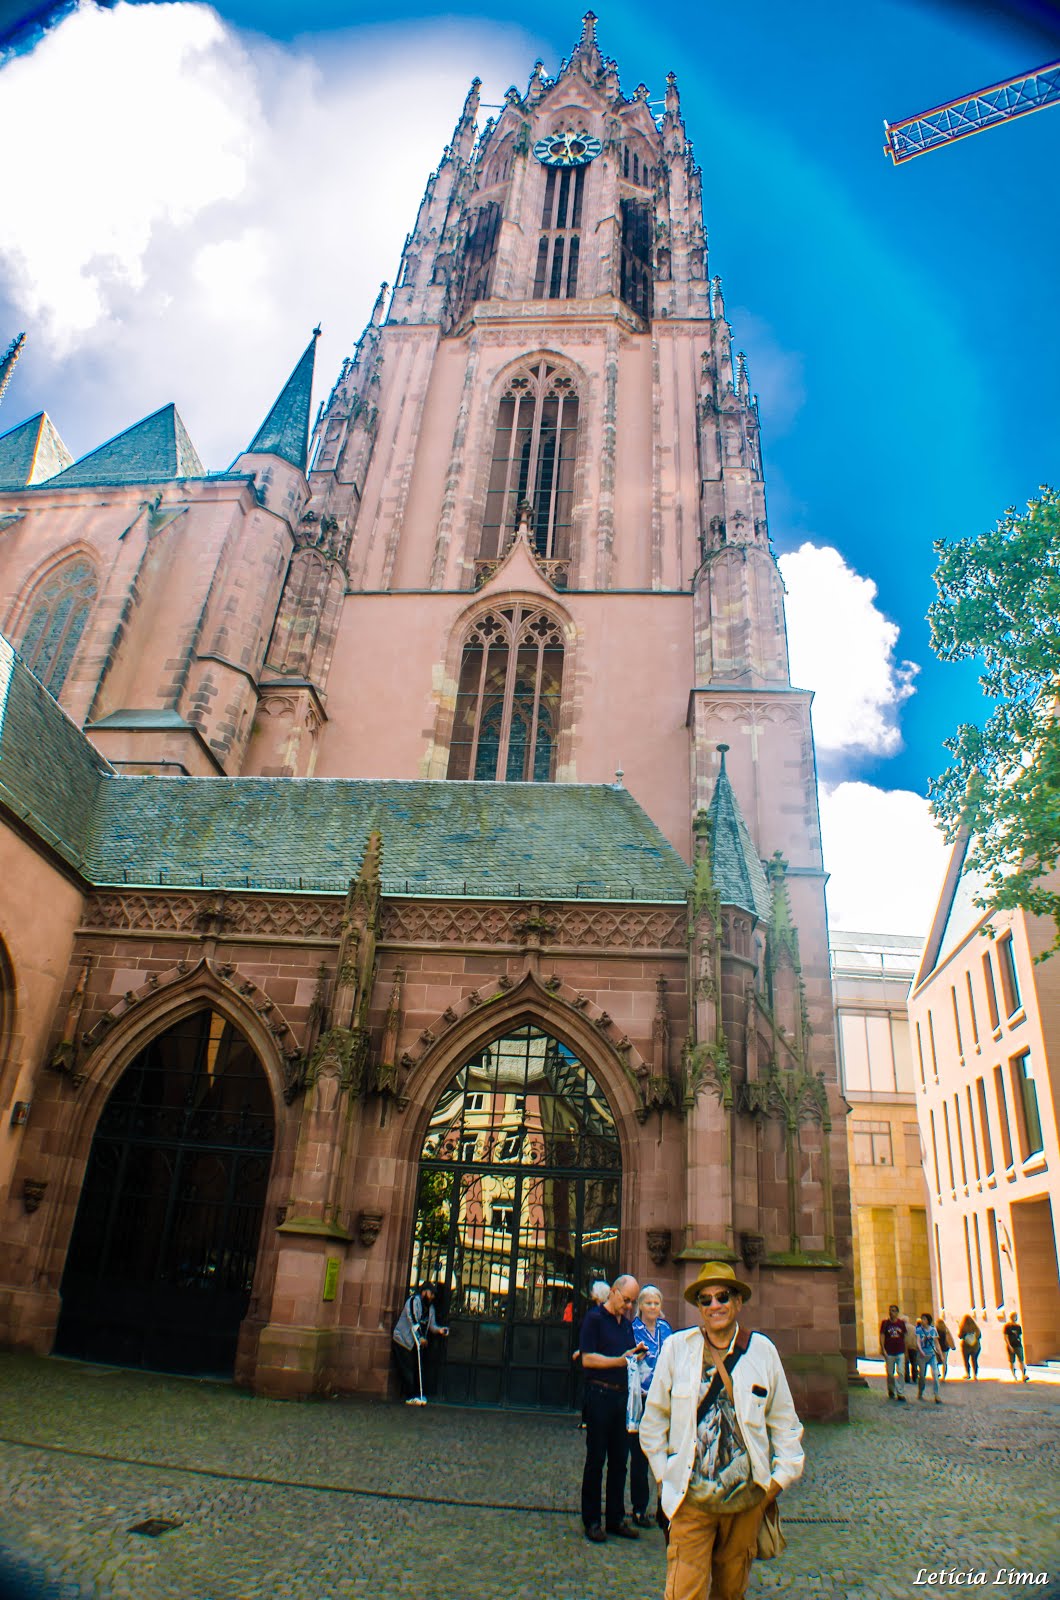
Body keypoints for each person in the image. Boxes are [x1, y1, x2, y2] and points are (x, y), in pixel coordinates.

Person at [640, 1262, 804, 1600]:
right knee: (683, 1593)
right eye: (706, 1299)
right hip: (691, 1503)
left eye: (723, 1297)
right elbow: (653, 1422)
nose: (715, 1305)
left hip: (745, 1506)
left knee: (731, 1593)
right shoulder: (677, 1349)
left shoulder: (762, 1351)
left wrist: (774, 1484)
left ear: (738, 1301)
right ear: (698, 1306)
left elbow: (786, 1424)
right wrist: (664, 1478)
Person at [579, 1274, 646, 1543]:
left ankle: (616, 1518)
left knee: (620, 1461)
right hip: (599, 1396)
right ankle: (592, 1520)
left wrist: (635, 1355)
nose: (629, 1306)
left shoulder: (626, 1325)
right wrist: (619, 1362)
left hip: (622, 1399)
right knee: (596, 1459)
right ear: (614, 1293)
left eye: (632, 1302)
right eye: (626, 1300)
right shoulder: (594, 1319)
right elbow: (587, 1358)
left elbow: (626, 1356)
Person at [628, 1285, 675, 1525]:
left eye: (657, 1303)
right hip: (642, 1398)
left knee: (665, 1453)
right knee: (639, 1457)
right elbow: (626, 1357)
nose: (653, 1307)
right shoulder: (632, 1329)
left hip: (664, 1399)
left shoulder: (667, 1330)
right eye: (648, 1303)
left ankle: (663, 1507)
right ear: (641, 1306)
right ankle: (639, 1508)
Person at [391, 1280, 448, 1404]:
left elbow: (431, 1325)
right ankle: (410, 1396)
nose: (432, 1296)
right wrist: (420, 1337)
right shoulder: (413, 1301)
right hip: (404, 1340)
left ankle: (417, 1394)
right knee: (408, 1368)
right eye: (431, 1293)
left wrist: (439, 1330)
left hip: (416, 1343)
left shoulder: (430, 1308)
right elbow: (412, 1320)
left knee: (417, 1368)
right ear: (424, 1291)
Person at [879, 1304, 908, 1402]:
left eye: (894, 1310)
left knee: (901, 1372)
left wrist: (906, 1349)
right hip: (889, 1352)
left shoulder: (901, 1324)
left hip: (900, 1351)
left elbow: (905, 1337)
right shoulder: (885, 1323)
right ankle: (891, 1390)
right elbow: (882, 1335)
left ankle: (900, 1393)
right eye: (890, 1310)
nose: (892, 1312)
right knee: (890, 1374)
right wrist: (883, 1348)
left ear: (897, 1312)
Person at [916, 1314, 943, 1404]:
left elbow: (936, 1342)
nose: (922, 1320)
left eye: (924, 1319)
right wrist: (920, 1350)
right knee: (922, 1376)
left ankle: (937, 1394)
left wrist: (940, 1354)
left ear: (928, 1320)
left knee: (935, 1375)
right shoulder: (919, 1330)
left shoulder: (933, 1330)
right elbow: (918, 1341)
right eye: (922, 1319)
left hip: (932, 1355)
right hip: (922, 1356)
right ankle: (920, 1391)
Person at [1003, 1311, 1029, 1382]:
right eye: (1014, 1317)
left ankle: (1023, 1375)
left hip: (1018, 1345)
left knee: (1021, 1360)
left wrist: (1020, 1342)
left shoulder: (1018, 1327)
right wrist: (1009, 1346)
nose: (1015, 1318)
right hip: (1011, 1345)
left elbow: (1019, 1336)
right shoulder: (1007, 1326)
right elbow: (1006, 1337)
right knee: (1012, 1361)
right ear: (1011, 1317)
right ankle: (1014, 1376)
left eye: (1016, 1317)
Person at [958, 1312, 981, 1379]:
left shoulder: (963, 1327)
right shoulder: (975, 1327)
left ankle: (968, 1374)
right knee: (974, 1360)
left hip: (966, 1347)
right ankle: (975, 1375)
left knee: (966, 1360)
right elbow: (979, 1336)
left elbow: (960, 1336)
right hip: (975, 1346)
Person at [902, 1312, 919, 1387]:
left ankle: (907, 1378)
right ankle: (915, 1377)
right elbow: (917, 1337)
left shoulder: (902, 1328)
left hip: (905, 1347)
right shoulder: (913, 1327)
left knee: (906, 1363)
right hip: (913, 1346)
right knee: (914, 1362)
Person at [936, 1314, 954, 1380]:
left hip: (937, 1348)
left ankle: (937, 1372)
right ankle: (944, 1376)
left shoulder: (936, 1330)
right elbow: (950, 1338)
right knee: (944, 1362)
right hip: (945, 1347)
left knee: (935, 1362)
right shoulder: (945, 1330)